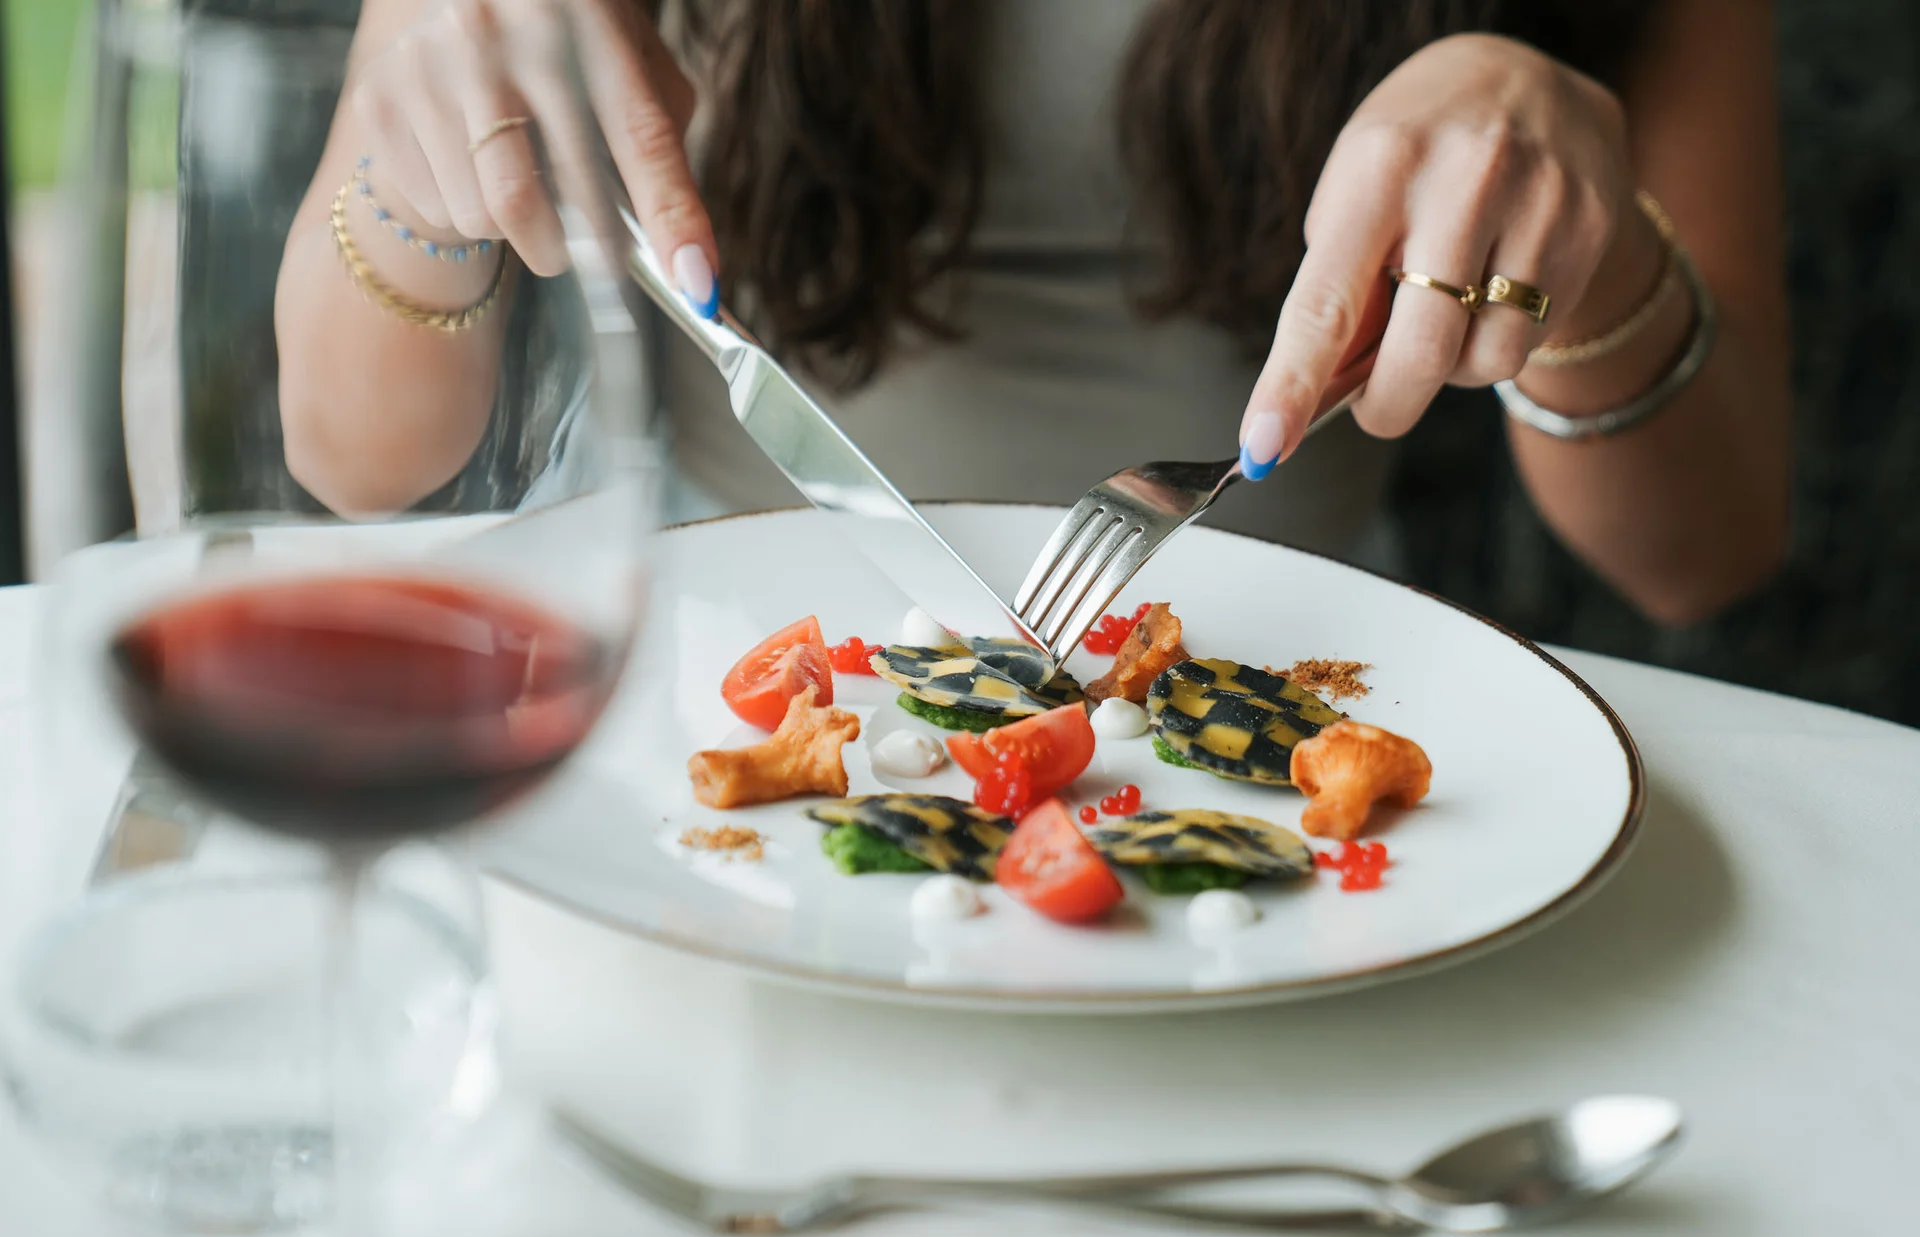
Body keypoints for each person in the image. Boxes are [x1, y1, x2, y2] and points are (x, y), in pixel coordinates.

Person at [276, 0, 1790, 627]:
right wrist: (422, 151)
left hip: (1289, 664)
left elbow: (1704, 552)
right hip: (702, 658)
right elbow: (358, 457)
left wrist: (1587, 261)